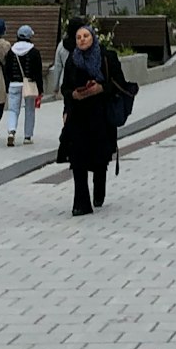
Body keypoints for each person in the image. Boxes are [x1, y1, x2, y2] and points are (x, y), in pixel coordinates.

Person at [60, 25, 126, 215]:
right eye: (79, 37)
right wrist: (73, 95)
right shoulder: (72, 61)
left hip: (101, 116)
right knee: (77, 158)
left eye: (86, 36)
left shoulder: (107, 57)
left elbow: (119, 84)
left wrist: (101, 88)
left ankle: (99, 190)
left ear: (93, 38)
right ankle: (81, 203)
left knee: (100, 158)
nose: (82, 40)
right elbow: (65, 88)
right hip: (78, 116)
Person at [3, 24, 44, 147]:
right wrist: (40, 89)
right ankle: (27, 136)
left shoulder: (11, 52)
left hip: (14, 84)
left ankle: (11, 131)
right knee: (29, 110)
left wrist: (7, 85)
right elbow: (38, 72)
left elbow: (7, 70)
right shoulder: (34, 52)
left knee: (13, 110)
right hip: (29, 85)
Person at [50, 15, 85, 95]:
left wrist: (55, 87)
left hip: (65, 82)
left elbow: (58, 67)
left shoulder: (62, 45)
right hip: (83, 83)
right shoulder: (85, 44)